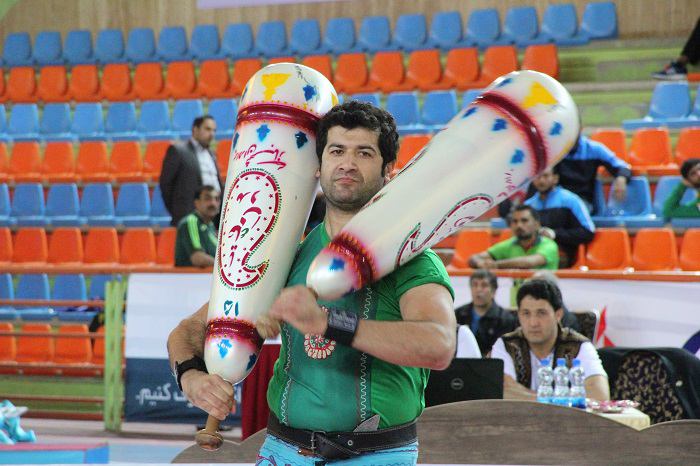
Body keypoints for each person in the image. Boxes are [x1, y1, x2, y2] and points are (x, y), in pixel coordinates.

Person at [167, 101, 456, 465]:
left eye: (364, 153)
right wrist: (191, 376)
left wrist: (328, 322)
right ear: (319, 166)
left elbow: (439, 344)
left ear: (389, 170)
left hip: (377, 455)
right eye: (337, 151)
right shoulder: (285, 254)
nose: (347, 163)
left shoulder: (412, 257)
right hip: (284, 450)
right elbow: (189, 330)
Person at [490, 279, 609, 401]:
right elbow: (500, 392)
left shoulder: (579, 346)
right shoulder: (506, 345)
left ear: (558, 315)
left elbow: (600, 396)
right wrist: (559, 400)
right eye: (526, 313)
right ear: (518, 314)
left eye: (541, 313)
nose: (533, 322)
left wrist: (530, 397)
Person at [525, 166, 595, 268]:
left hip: (562, 253)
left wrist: (554, 234)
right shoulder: (528, 206)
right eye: (537, 177)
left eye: (545, 176)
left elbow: (588, 232)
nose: (541, 180)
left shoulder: (571, 200)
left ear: (555, 178)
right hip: (532, 251)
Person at [160, 115, 224, 227]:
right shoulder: (178, 151)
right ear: (195, 129)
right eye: (207, 129)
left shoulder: (212, 154)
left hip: (214, 218)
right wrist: (178, 212)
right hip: (189, 217)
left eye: (214, 130)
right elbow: (166, 185)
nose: (212, 134)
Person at [556, 135, 631, 215]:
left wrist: (621, 178)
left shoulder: (594, 149)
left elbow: (621, 166)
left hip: (582, 201)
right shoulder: (552, 149)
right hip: (555, 200)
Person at [469, 205, 559, 270]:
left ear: (537, 224)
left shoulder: (549, 245)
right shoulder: (509, 244)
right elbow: (473, 258)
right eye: (515, 221)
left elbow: (529, 262)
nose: (519, 225)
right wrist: (480, 263)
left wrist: (495, 264)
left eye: (524, 221)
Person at [454, 269, 517, 355]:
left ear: (494, 291)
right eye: (474, 285)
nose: (478, 290)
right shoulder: (458, 314)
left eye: (484, 285)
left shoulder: (506, 319)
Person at [174, 185, 221, 268]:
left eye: (216, 199)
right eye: (207, 199)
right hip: (191, 279)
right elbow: (198, 258)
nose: (213, 203)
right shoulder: (191, 222)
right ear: (197, 203)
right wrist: (225, 267)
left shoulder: (210, 225)